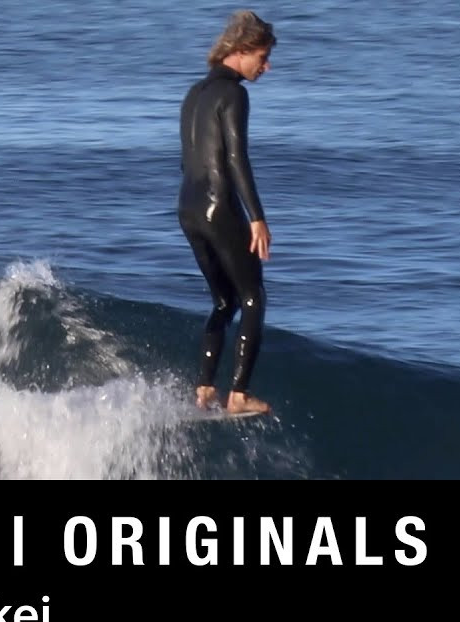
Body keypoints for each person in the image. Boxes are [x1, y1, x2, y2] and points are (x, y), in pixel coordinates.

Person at [177, 9, 276, 415]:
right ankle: (238, 394)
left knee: (223, 301)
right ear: (241, 50)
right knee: (253, 297)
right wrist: (256, 216)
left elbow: (188, 160)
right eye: (262, 58)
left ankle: (204, 389)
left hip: (188, 209)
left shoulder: (194, 93)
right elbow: (236, 158)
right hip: (221, 208)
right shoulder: (235, 94)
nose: (266, 67)